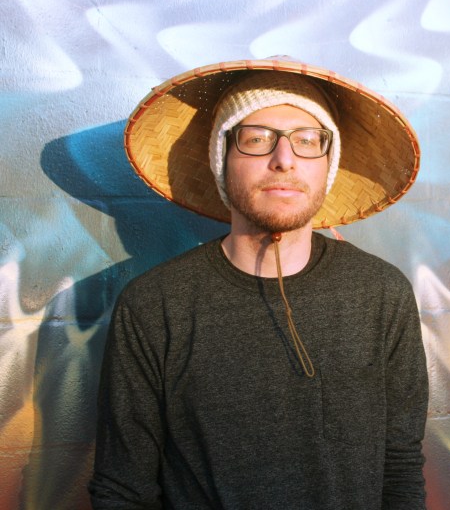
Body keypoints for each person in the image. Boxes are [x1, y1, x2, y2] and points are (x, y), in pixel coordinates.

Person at [88, 58, 429, 509]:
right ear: (222, 160)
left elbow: (401, 467)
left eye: (308, 141)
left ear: (327, 165)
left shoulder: (382, 293)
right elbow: (123, 489)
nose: (283, 159)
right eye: (256, 139)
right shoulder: (154, 305)